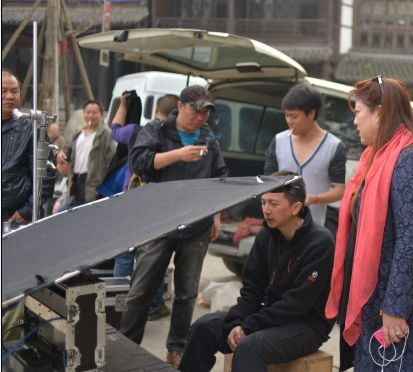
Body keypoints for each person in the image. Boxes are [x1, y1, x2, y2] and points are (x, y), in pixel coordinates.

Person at [325, 76, 413, 371]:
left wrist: (395, 308)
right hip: (380, 303)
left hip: (407, 313)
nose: (354, 121)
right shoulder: (378, 157)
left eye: (358, 112)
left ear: (380, 112)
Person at [119, 85, 228, 368]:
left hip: (196, 226)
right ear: (179, 106)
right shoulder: (156, 130)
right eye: (196, 109)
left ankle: (176, 347)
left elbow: (219, 178)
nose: (201, 117)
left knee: (187, 293)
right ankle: (127, 347)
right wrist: (178, 154)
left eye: (206, 111)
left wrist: (215, 216)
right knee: (140, 291)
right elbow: (139, 163)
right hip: (158, 225)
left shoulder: (209, 139)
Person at [178, 175, 335, 371]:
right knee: (203, 328)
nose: (266, 210)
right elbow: (252, 290)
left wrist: (248, 328)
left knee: (249, 347)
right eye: (263, 202)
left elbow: (296, 303)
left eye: (273, 204)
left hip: (306, 324)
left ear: (296, 208)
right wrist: (236, 323)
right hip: (266, 313)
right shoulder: (265, 236)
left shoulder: (320, 242)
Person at [111, 92, 179, 321]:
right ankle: (154, 306)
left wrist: (122, 105)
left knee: (123, 255)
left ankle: (119, 305)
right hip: (158, 203)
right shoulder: (176, 139)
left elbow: (114, 130)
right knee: (153, 256)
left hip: (130, 196)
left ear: (157, 108)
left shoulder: (136, 131)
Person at [264, 83, 346, 227]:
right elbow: (268, 182)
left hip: (314, 227)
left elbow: (339, 191)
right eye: (287, 115)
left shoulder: (333, 146)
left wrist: (313, 199)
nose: (289, 121)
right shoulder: (278, 141)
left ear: (311, 114)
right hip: (279, 226)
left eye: (294, 116)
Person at [1, 69, 56, 230]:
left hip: (17, 221)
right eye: (3, 91)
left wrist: (28, 210)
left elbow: (46, 176)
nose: (9, 96)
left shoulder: (32, 129)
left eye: (14, 91)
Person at [57, 100, 115, 207]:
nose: (90, 115)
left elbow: (113, 158)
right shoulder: (78, 134)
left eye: (94, 113)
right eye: (88, 112)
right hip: (74, 183)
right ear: (83, 114)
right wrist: (60, 155)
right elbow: (66, 152)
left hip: (93, 185)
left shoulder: (106, 134)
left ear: (101, 115)